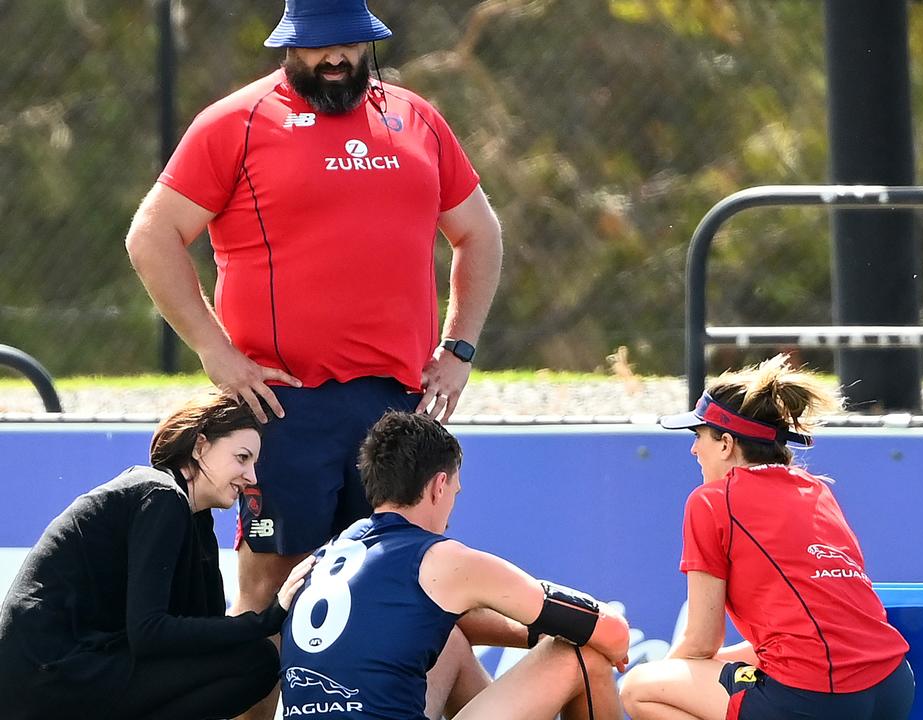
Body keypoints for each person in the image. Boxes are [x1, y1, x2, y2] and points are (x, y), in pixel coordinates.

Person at [123, 2, 503, 713]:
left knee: (410, 584)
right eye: (318, 46)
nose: (335, 58)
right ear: (288, 47)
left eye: (348, 44)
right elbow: (151, 236)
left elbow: (479, 233)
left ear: (370, 41)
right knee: (271, 587)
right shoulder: (234, 121)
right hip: (284, 405)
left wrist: (458, 348)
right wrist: (216, 351)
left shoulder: (416, 118)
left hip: (398, 406)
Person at [278, 411, 630, 719]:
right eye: (456, 493)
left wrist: (537, 631)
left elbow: (432, 620)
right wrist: (581, 635)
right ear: (439, 486)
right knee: (584, 655)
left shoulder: (331, 551)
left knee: (450, 637)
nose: (449, 516)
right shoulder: (441, 559)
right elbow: (611, 629)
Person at [619, 355, 914, 720]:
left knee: (640, 689)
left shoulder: (712, 500)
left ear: (726, 444)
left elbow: (700, 641)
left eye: (699, 437)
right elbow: (813, 634)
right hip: (893, 686)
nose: (694, 449)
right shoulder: (815, 489)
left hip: (817, 698)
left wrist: (668, 673)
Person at [0, 392, 313, 720]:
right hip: (46, 677)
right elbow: (149, 632)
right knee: (253, 661)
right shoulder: (160, 495)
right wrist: (266, 618)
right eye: (242, 457)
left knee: (252, 660)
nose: (252, 477)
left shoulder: (194, 519)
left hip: (82, 664)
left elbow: (200, 630)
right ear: (200, 447)